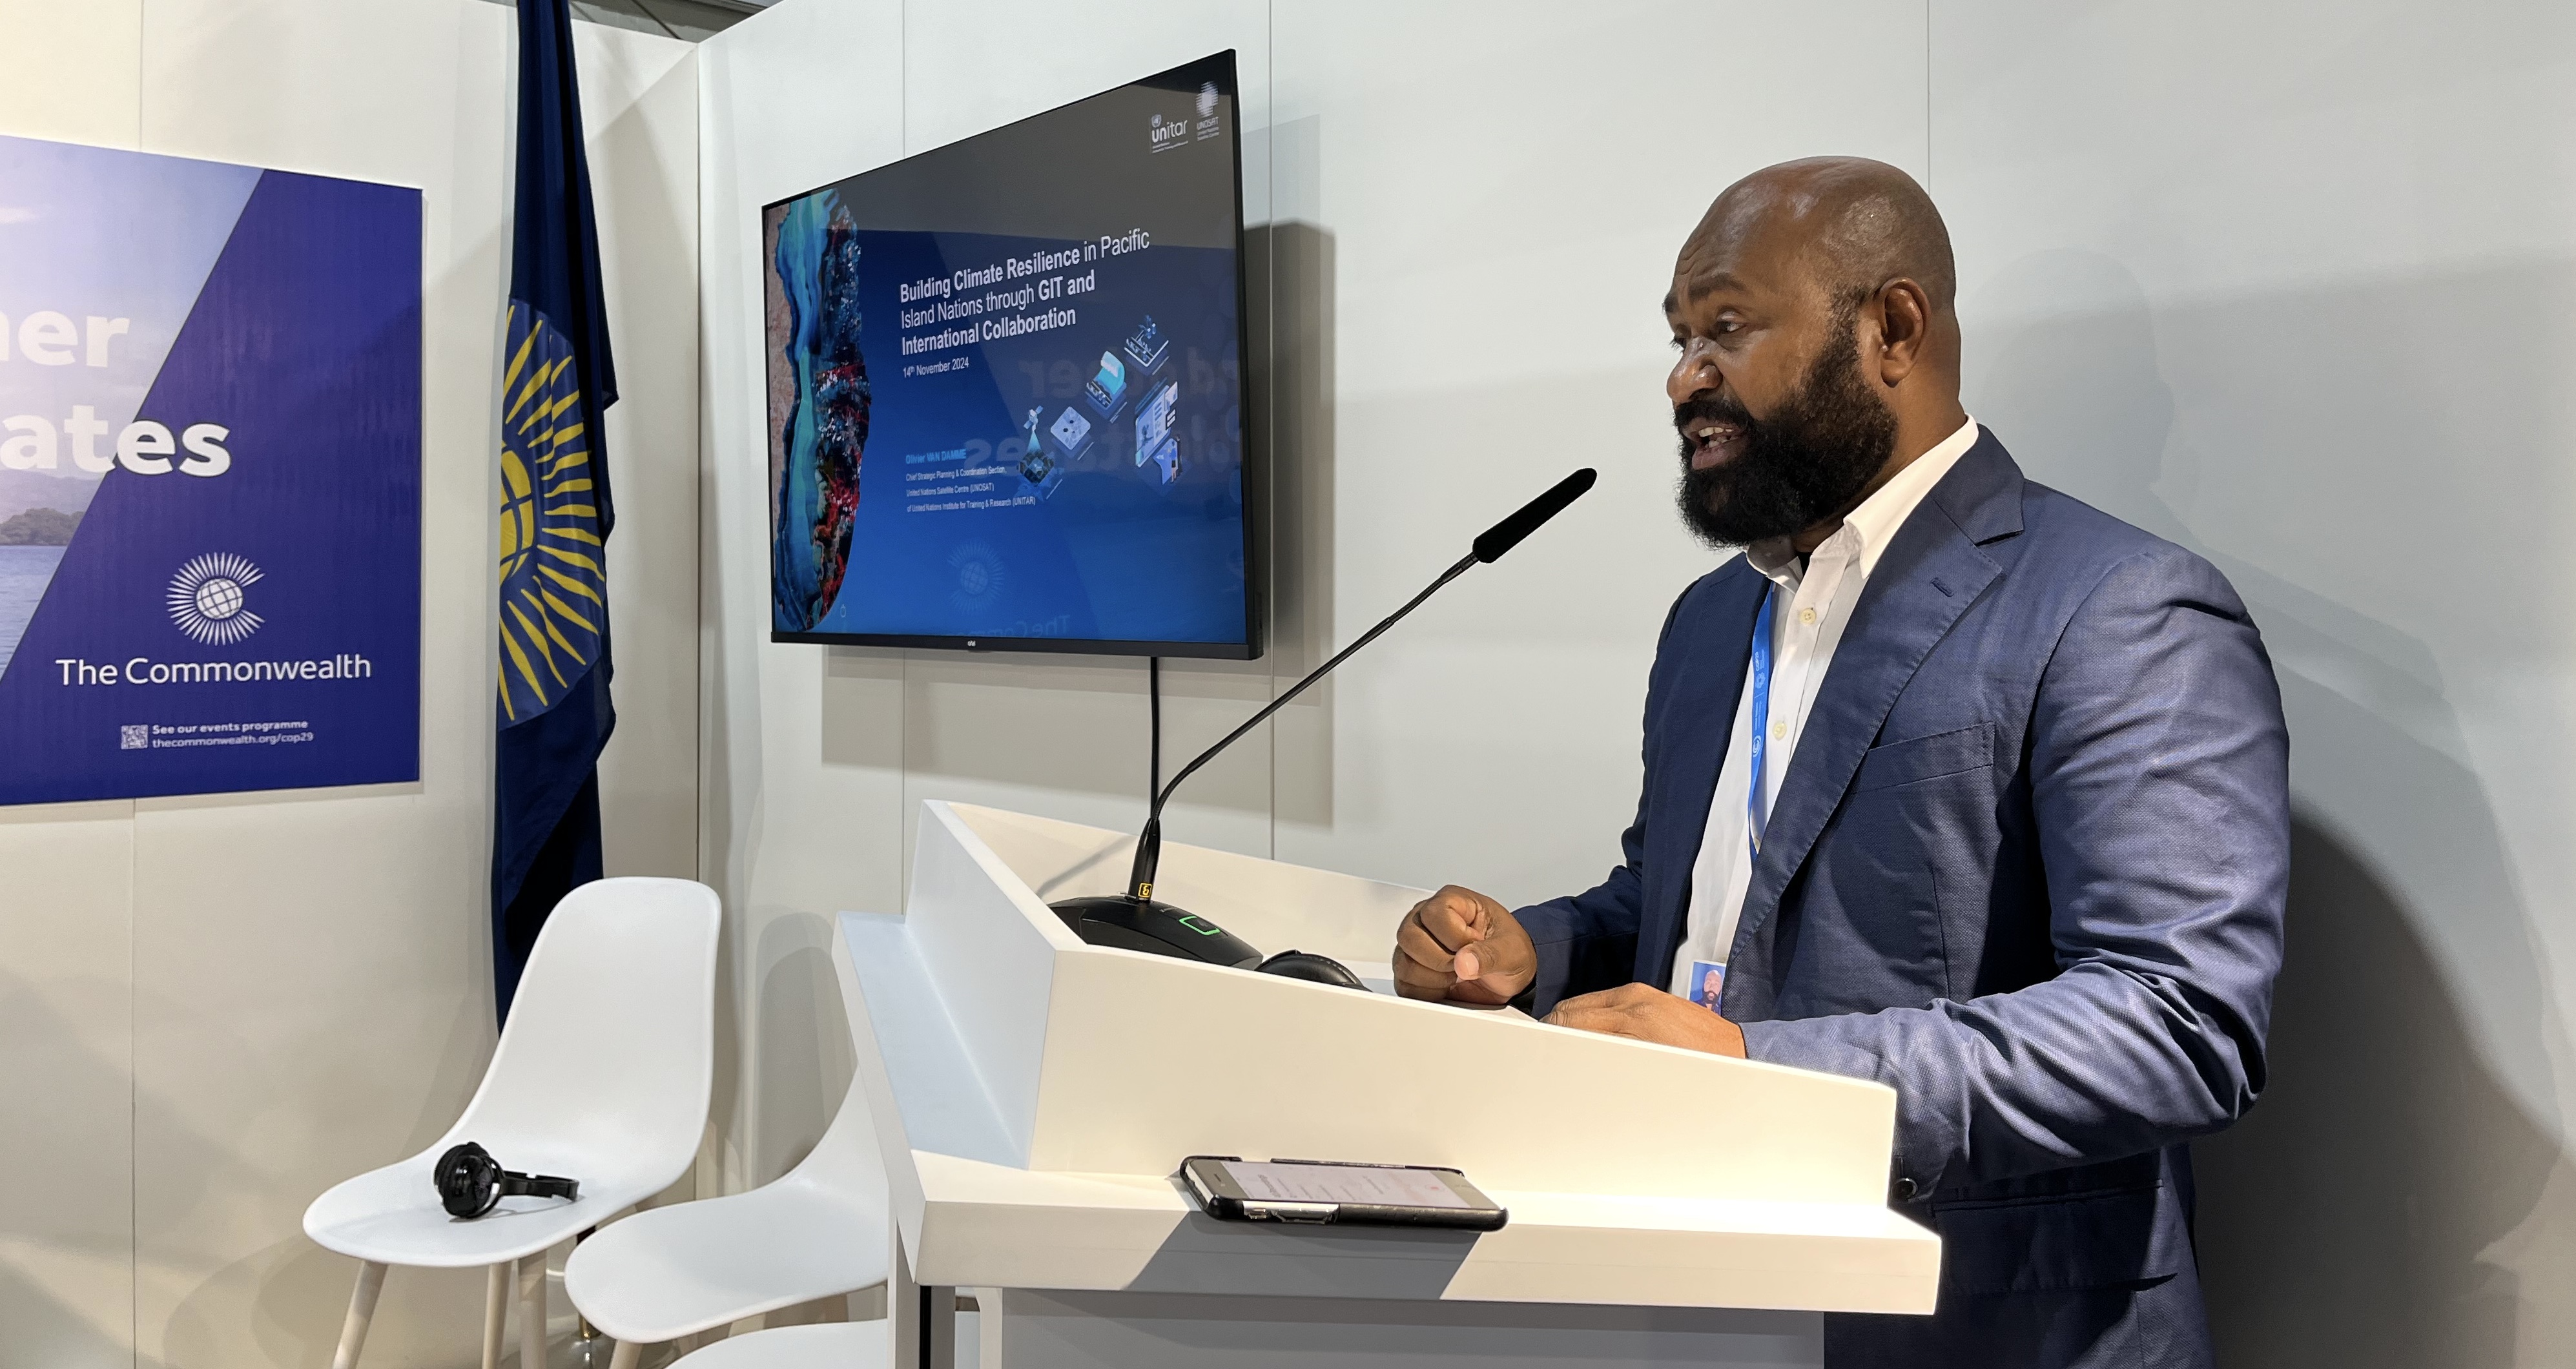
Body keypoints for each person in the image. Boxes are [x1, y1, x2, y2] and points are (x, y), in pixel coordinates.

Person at [1392, 157, 2288, 1369]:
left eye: (1725, 326)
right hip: (1689, 1294)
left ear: (1892, 329)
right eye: (1676, 337)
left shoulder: (2119, 610)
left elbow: (2175, 1025)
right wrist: (1528, 949)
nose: (1683, 376)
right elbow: (1681, 912)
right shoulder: (1714, 620)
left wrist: (1759, 1069)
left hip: (1982, 1328)